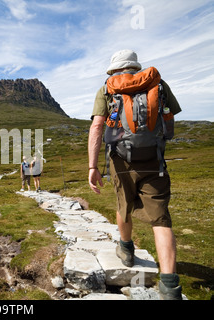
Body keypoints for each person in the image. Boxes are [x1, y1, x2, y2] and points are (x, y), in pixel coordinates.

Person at [88, 49, 183, 300]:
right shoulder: (158, 84)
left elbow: (97, 126)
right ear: (134, 66)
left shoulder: (107, 89)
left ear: (114, 69)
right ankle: (170, 286)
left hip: (121, 161)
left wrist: (92, 166)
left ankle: (127, 250)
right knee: (161, 219)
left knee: (123, 205)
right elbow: (170, 118)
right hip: (154, 159)